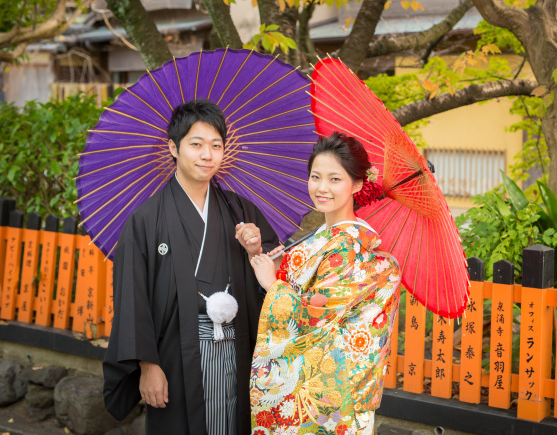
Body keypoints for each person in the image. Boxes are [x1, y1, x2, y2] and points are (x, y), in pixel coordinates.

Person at [103, 99, 281, 435]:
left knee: (235, 423)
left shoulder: (240, 210)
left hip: (238, 348)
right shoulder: (145, 220)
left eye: (216, 145)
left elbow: (274, 277)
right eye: (196, 144)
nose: (207, 155)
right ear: (173, 147)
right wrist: (147, 365)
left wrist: (257, 250)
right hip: (174, 354)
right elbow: (132, 300)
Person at [248, 132, 402, 435]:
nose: (321, 188)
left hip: (329, 395)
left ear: (357, 184)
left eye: (335, 179)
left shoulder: (347, 243)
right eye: (315, 177)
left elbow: (316, 314)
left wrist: (272, 284)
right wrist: (282, 268)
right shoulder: (325, 236)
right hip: (330, 390)